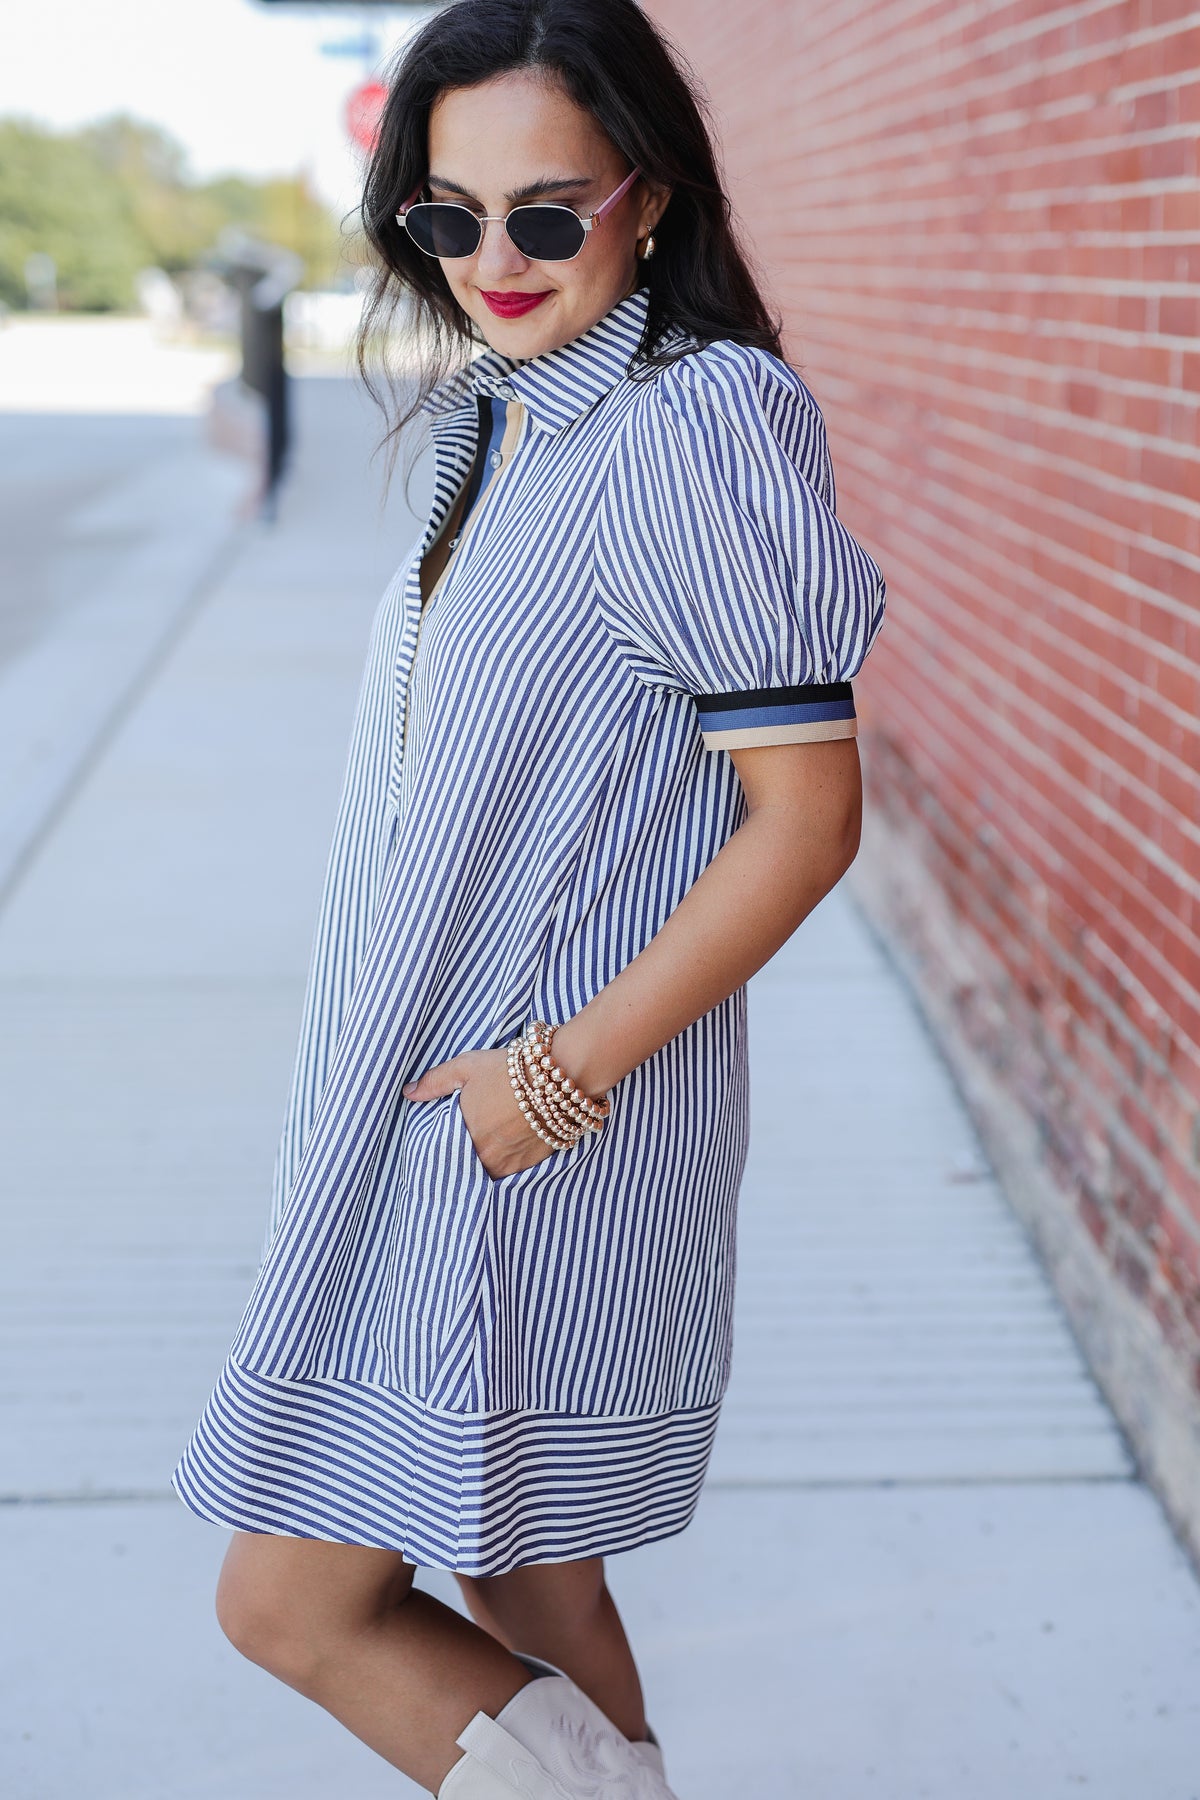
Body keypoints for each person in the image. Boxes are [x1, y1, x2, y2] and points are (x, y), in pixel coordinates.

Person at [169, 1, 886, 1795]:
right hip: (432, 1110)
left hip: (538, 1128)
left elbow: (805, 821)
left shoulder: (697, 425)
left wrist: (545, 1080)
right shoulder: (507, 415)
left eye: (546, 215)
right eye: (444, 217)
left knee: (290, 1602)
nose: (493, 261)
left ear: (645, 195)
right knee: (523, 1559)